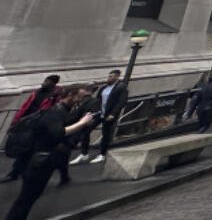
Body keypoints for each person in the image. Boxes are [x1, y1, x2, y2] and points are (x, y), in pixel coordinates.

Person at [4, 87, 95, 220]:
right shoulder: (56, 111)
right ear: (70, 95)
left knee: (27, 198)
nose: (80, 101)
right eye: (79, 97)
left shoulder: (62, 111)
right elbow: (58, 132)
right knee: (26, 199)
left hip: (39, 160)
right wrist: (82, 123)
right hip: (38, 162)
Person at [4, 76, 62, 182]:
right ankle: (17, 173)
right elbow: (25, 107)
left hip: (40, 126)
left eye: (47, 81)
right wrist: (16, 121)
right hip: (28, 123)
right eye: (45, 81)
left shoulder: (55, 96)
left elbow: (52, 111)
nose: (44, 83)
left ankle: (16, 173)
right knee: (25, 149)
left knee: (29, 151)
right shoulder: (37, 92)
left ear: (53, 84)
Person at [87, 70, 127, 164]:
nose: (109, 78)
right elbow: (98, 100)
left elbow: (121, 102)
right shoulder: (104, 87)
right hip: (99, 113)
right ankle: (84, 153)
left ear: (117, 77)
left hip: (109, 115)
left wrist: (113, 114)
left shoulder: (121, 87)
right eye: (109, 76)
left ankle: (102, 154)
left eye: (111, 76)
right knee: (87, 129)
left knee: (106, 134)